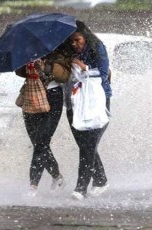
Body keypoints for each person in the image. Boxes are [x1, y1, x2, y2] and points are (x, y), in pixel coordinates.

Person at [65, 20, 112, 200]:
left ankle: (80, 188)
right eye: (71, 42)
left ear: (85, 36)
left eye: (77, 40)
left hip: (97, 101)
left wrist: (85, 68)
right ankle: (100, 180)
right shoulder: (67, 54)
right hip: (74, 102)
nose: (74, 44)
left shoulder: (97, 47)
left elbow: (104, 74)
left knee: (88, 145)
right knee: (85, 145)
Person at [15, 59, 67, 197]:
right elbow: (18, 71)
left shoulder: (57, 48)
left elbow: (66, 75)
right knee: (37, 143)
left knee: (41, 141)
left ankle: (33, 186)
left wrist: (46, 68)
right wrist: (26, 65)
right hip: (31, 95)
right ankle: (57, 177)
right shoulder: (26, 51)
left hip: (53, 96)